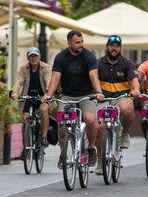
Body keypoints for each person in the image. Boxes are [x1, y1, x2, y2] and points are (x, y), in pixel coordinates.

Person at [42, 30, 104, 168]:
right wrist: (49, 95)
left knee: (90, 119)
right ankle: (63, 155)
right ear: (69, 43)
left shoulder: (89, 56)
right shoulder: (61, 57)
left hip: (87, 95)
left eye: (82, 42)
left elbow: (94, 76)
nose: (80, 45)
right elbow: (55, 78)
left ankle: (91, 149)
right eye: (77, 42)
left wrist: (98, 91)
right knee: (62, 124)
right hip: (67, 96)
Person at [94, 35, 140, 175]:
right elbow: (93, 78)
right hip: (103, 99)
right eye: (111, 45)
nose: (114, 48)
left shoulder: (127, 63)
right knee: (100, 126)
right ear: (107, 47)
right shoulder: (98, 63)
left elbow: (134, 79)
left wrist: (136, 89)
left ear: (120, 48)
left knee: (126, 108)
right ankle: (100, 161)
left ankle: (125, 133)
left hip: (122, 98)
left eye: (117, 46)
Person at [9, 47, 52, 149]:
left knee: (43, 109)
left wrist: (47, 93)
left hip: (43, 97)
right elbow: (18, 81)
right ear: (28, 57)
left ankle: (43, 138)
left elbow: (49, 80)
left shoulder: (45, 67)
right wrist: (14, 92)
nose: (33, 58)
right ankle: (26, 147)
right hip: (28, 97)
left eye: (35, 55)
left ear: (39, 56)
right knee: (26, 119)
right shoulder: (23, 69)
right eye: (31, 56)